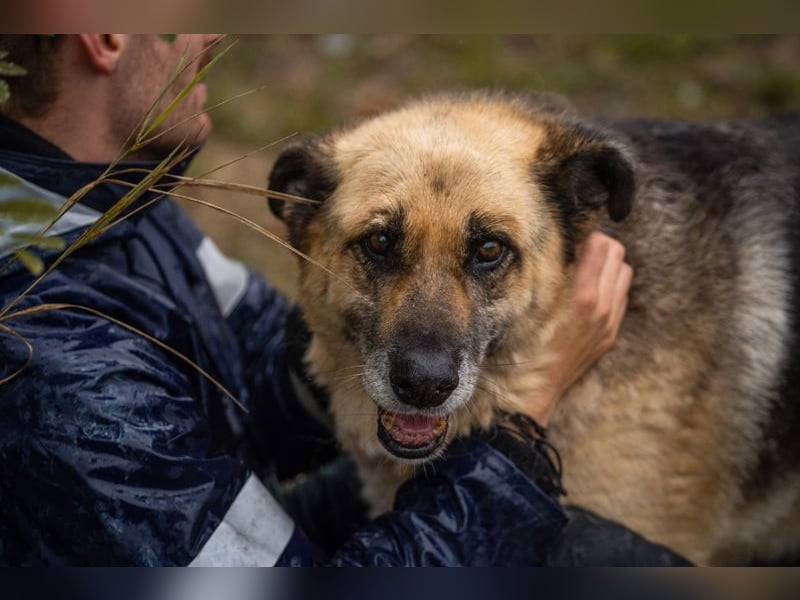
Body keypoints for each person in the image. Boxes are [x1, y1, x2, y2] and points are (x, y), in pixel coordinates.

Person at [0, 34, 688, 566]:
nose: (208, 38)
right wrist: (526, 421)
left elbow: (254, 365)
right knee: (578, 552)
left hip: (225, 514)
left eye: (487, 255)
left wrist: (345, 326)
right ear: (106, 36)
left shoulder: (102, 206)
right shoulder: (52, 364)